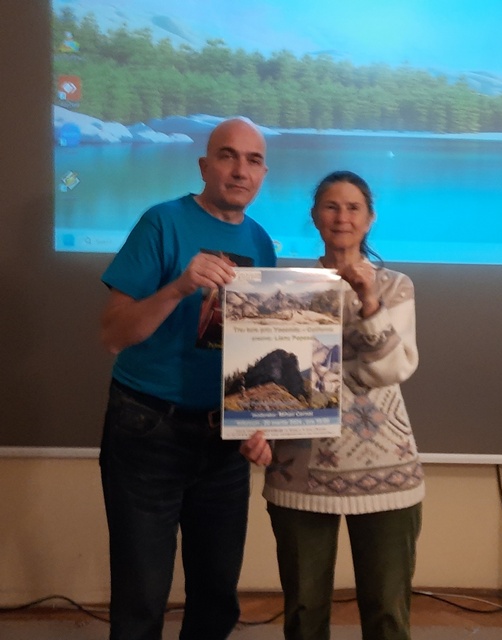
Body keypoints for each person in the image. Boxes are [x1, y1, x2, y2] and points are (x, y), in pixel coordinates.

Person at [99, 117, 275, 640]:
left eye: (253, 160)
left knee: (217, 598)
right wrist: (178, 288)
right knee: (141, 597)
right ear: (204, 165)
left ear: (263, 173)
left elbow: (260, 347)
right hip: (148, 429)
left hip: (224, 439)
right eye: (227, 156)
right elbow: (113, 334)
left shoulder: (261, 242)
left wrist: (263, 422)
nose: (240, 170)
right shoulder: (161, 223)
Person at [243, 170, 425, 640]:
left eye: (353, 208)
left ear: (370, 219)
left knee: (387, 615)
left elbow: (389, 370)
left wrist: (368, 301)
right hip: (298, 471)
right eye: (331, 206)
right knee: (304, 614)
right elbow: (272, 372)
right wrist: (255, 426)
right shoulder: (285, 288)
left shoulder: (395, 286)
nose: (342, 217)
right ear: (314, 216)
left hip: (385, 470)